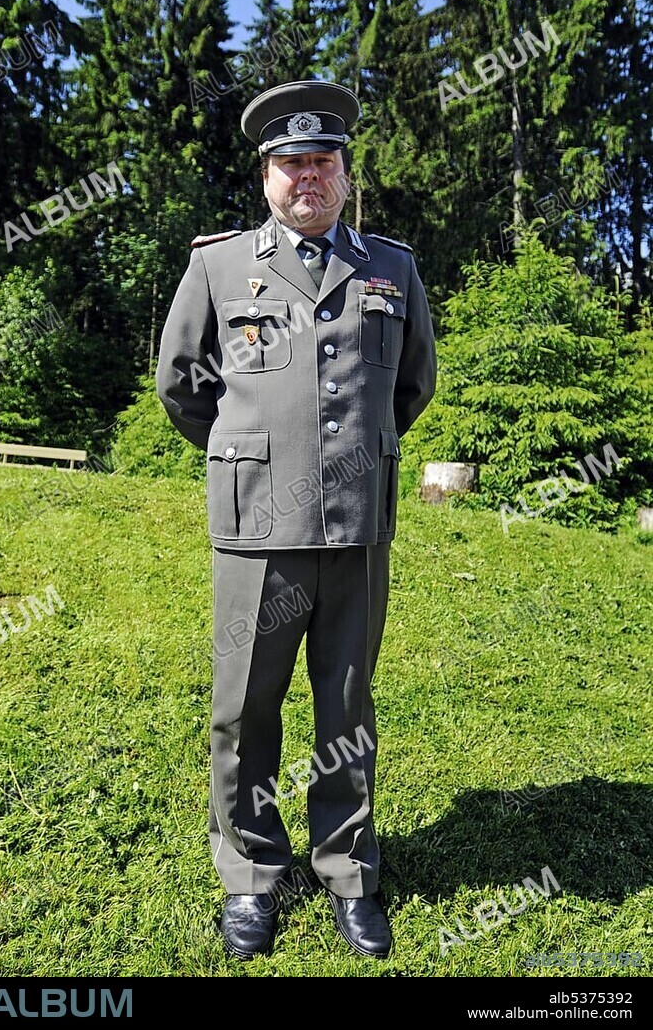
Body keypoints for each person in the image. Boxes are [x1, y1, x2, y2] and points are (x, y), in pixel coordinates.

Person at [155, 80, 437, 960]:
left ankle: (347, 869)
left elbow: (412, 384)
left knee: (347, 705)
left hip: (356, 529)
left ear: (345, 174)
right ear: (266, 176)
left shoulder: (392, 267)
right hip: (258, 529)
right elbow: (181, 383)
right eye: (291, 163)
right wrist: (249, 452)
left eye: (322, 161)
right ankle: (250, 871)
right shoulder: (218, 267)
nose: (307, 176)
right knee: (244, 707)